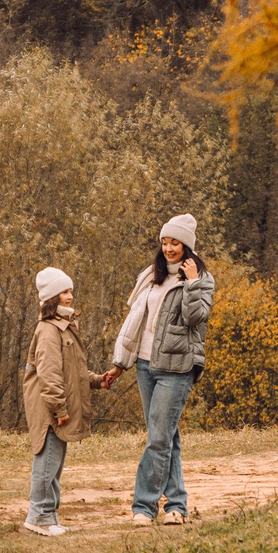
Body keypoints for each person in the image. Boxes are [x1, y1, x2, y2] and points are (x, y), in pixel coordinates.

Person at [100, 213, 214, 526]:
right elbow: (134, 322)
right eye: (164, 242)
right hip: (145, 365)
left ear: (187, 246)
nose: (168, 248)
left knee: (159, 439)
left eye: (175, 242)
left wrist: (190, 283)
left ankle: (143, 507)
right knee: (165, 436)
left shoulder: (201, 279)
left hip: (177, 368)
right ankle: (176, 506)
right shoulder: (150, 275)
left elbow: (195, 317)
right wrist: (120, 364)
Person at [22, 266, 98, 537]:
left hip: (56, 406)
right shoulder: (48, 331)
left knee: (54, 463)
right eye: (65, 292)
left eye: (71, 291)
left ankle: (48, 515)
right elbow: (49, 373)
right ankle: (39, 517)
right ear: (53, 297)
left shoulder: (64, 327)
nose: (70, 297)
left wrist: (98, 380)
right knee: (47, 461)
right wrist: (59, 409)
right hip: (49, 409)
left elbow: (72, 371)